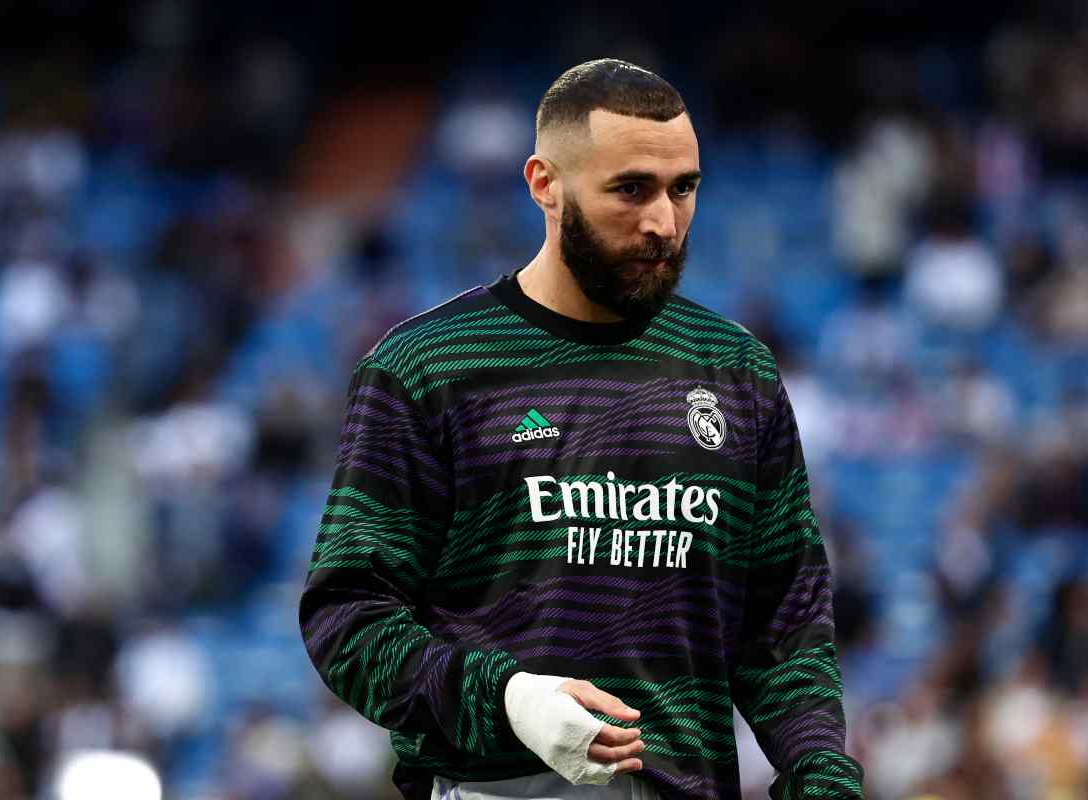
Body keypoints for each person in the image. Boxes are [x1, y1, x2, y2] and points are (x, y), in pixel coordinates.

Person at [299, 58, 864, 800]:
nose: (663, 222)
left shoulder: (737, 371)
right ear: (545, 184)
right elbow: (347, 618)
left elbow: (785, 626)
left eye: (683, 189)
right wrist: (509, 701)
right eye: (631, 189)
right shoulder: (428, 367)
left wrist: (822, 778)